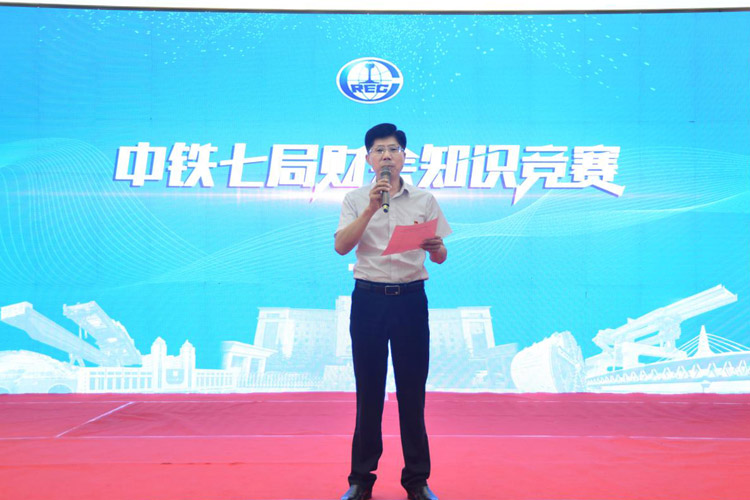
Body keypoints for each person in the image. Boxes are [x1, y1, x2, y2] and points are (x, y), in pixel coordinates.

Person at [334, 123, 451, 500]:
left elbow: (441, 255)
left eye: (393, 149)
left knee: (412, 393)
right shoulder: (356, 199)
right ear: (369, 159)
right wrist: (371, 207)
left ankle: (417, 480)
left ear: (403, 156)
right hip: (369, 300)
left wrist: (435, 247)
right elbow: (341, 246)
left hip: (410, 300)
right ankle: (360, 480)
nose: (387, 155)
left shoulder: (424, 200)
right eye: (379, 150)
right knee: (368, 392)